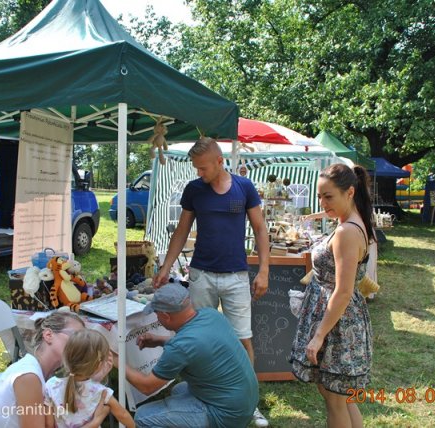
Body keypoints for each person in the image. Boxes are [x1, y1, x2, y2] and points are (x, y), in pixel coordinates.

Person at [152, 137, 270, 426]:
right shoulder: (195, 190)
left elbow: (260, 227)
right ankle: (200, 393)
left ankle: (248, 402)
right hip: (201, 274)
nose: (199, 173)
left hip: (236, 276)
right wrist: (166, 266)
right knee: (196, 337)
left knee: (243, 338)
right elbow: (181, 231)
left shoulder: (244, 187)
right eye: (196, 168)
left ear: (220, 161)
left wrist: (264, 270)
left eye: (203, 168)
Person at [289, 163, 376, 428]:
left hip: (337, 323)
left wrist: (318, 336)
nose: (323, 202)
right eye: (320, 196)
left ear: (349, 192)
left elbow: (343, 290)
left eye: (329, 197)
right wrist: (319, 214)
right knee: (341, 397)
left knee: (335, 399)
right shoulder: (352, 219)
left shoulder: (347, 232)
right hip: (336, 319)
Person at [116, 283, 259, 428]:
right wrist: (159, 340)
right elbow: (198, 345)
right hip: (245, 402)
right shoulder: (211, 315)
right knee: (178, 390)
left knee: (142, 417)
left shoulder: (180, 346)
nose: (157, 317)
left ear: (166, 316)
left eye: (156, 313)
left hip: (227, 415)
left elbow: (147, 386)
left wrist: (116, 359)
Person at [0, 311, 109, 428]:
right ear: (48, 335)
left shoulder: (47, 375)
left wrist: (91, 382)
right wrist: (95, 422)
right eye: (75, 336)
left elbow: (68, 418)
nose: (82, 345)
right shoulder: (29, 377)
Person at [44, 329, 134, 428]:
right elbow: (123, 415)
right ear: (99, 365)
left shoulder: (51, 386)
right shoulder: (102, 393)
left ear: (66, 356)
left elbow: (49, 424)